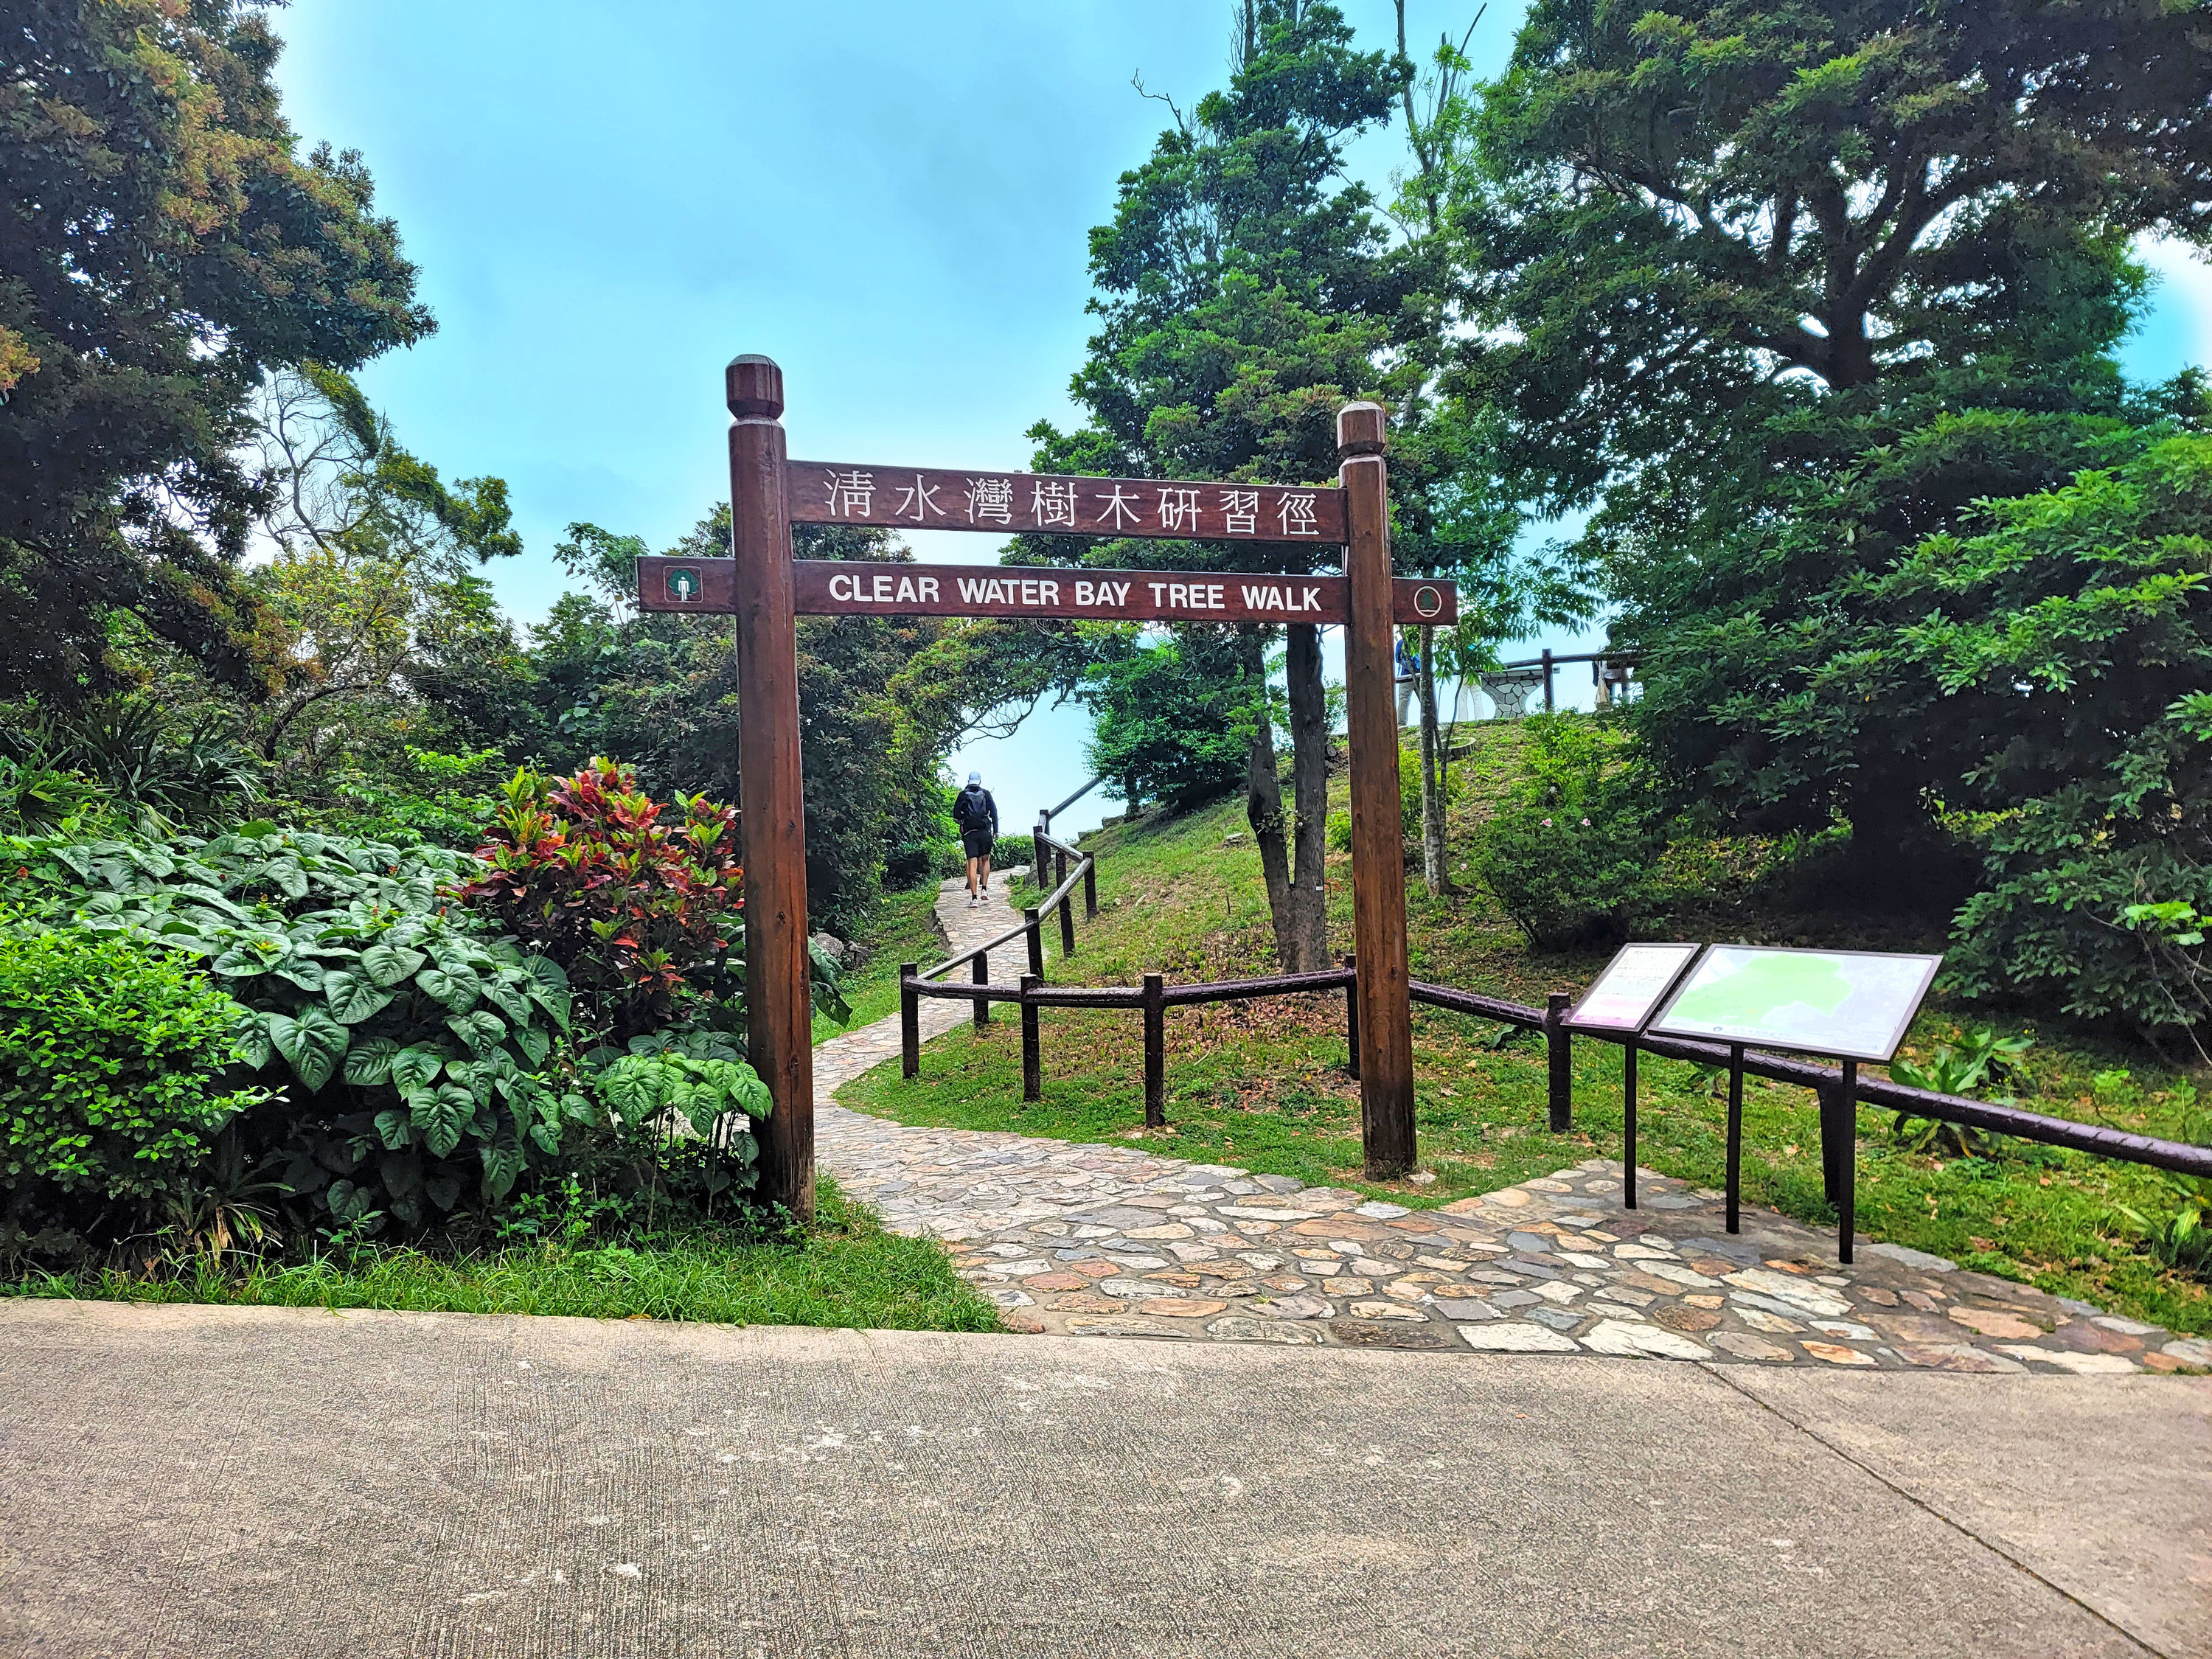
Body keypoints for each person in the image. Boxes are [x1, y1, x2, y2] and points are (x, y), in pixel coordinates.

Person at [951, 771, 999, 908]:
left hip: (970, 833)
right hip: (985, 831)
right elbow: (994, 813)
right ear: (979, 781)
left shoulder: (962, 795)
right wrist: (996, 830)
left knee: (972, 864)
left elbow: (956, 815)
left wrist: (962, 823)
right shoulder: (986, 794)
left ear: (969, 781)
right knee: (985, 860)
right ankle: (984, 889)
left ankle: (974, 898)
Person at [1394, 635, 1419, 727]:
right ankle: (1432, 721)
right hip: (1421, 675)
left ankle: (1401, 724)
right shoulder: (1419, 642)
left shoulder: (1401, 643)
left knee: (1403, 699)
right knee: (1425, 699)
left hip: (1406, 676)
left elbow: (1397, 659)